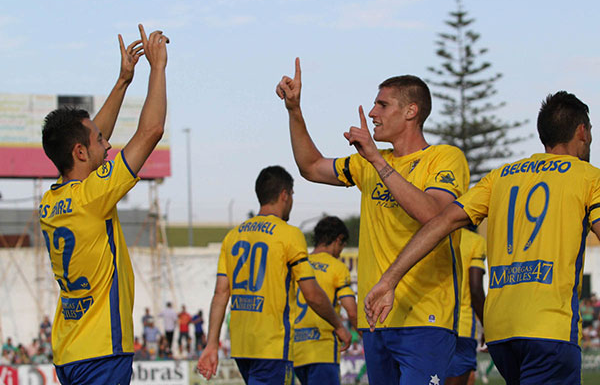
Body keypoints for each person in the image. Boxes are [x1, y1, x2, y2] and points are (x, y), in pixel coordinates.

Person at [365, 91, 600, 384]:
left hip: (501, 332)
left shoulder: (501, 176)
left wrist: (389, 280)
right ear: (582, 131)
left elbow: (442, 222)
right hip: (550, 329)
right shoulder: (589, 177)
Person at [276, 59, 469, 384]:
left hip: (425, 319)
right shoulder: (368, 164)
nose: (373, 112)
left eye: (382, 104)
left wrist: (377, 159)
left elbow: (435, 215)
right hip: (376, 319)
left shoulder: (444, 158)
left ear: (411, 111)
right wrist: (294, 111)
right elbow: (310, 167)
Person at [39, 24, 169, 384]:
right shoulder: (93, 196)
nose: (108, 144)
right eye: (100, 141)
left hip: (70, 350)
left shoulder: (50, 202)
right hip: (102, 351)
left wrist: (123, 80)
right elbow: (151, 131)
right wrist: (157, 68)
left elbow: (89, 138)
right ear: (79, 152)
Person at [197, 166, 351, 384]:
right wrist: (337, 325)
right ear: (284, 195)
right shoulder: (289, 234)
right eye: (292, 195)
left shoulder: (232, 237)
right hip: (273, 346)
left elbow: (221, 292)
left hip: (242, 346)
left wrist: (212, 343)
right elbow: (312, 294)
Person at [293, 216, 357, 385]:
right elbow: (351, 310)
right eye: (342, 246)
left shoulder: (298, 264)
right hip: (322, 350)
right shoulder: (337, 267)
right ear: (338, 240)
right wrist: (364, 333)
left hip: (293, 351)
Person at [446, 226, 486, 385]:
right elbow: (475, 289)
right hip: (461, 328)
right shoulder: (475, 241)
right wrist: (487, 325)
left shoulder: (432, 234)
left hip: (431, 326)